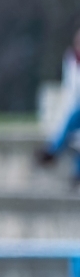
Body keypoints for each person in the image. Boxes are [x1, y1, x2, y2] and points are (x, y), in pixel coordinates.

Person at [37, 26, 80, 183]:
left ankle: (52, 151)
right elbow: (70, 87)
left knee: (71, 126)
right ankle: (76, 174)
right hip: (74, 106)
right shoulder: (70, 59)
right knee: (74, 134)